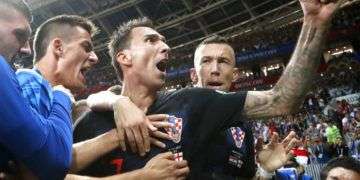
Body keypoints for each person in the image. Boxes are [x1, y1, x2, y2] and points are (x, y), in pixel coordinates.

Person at [74, 0, 346, 179]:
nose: (166, 47)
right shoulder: (89, 124)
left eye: (165, 41)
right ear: (124, 58)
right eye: (151, 40)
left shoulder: (194, 102)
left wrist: (314, 22)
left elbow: (282, 100)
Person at [14, 14, 188, 180]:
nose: (95, 58)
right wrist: (143, 176)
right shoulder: (29, 82)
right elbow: (33, 173)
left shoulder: (56, 98)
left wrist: (118, 135)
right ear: (59, 48)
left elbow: (57, 159)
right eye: (86, 47)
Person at [0, 1, 74, 179]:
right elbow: (52, 160)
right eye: (20, 34)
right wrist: (61, 96)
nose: (26, 49)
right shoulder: (28, 79)